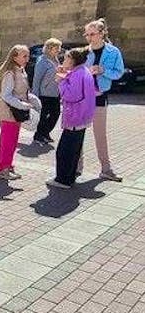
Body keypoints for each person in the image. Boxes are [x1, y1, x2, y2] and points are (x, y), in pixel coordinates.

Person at [80, 18, 124, 181]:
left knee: (100, 134)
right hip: (83, 96)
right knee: (79, 132)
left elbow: (119, 72)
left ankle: (106, 169)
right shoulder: (84, 52)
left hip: (100, 97)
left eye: (92, 34)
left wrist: (103, 70)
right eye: (87, 34)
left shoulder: (113, 52)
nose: (89, 37)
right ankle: (77, 166)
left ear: (102, 33)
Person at [47, 47, 96, 189]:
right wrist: (65, 75)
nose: (63, 60)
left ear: (73, 60)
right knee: (74, 149)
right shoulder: (82, 71)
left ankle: (63, 180)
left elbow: (71, 95)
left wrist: (60, 81)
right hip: (82, 118)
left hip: (75, 117)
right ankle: (69, 176)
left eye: (66, 58)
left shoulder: (77, 73)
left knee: (64, 151)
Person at [0, 45, 40, 180]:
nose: (27, 58)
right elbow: (6, 95)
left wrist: (32, 99)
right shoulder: (10, 73)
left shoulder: (21, 70)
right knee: (7, 141)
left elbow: (22, 92)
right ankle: (2, 169)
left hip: (16, 112)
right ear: (14, 57)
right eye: (24, 56)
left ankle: (8, 166)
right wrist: (22, 105)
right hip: (8, 111)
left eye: (28, 55)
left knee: (12, 141)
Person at [31, 38, 63, 144]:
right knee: (43, 116)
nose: (59, 50)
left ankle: (45, 133)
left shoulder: (55, 59)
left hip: (55, 93)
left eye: (59, 47)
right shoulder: (42, 61)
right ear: (50, 48)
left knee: (56, 114)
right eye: (57, 47)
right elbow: (37, 79)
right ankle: (39, 135)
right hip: (44, 94)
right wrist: (35, 95)